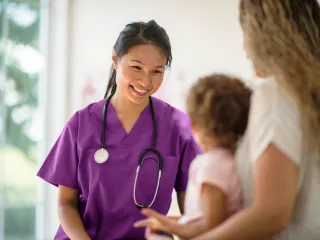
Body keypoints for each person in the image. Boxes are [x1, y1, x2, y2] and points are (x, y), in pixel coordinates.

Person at [36, 20, 201, 240]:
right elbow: (65, 204)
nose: (145, 80)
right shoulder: (81, 124)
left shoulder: (178, 127)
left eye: (156, 71)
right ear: (115, 59)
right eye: (136, 67)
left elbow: (191, 212)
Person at [190, 1, 320, 239]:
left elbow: (271, 213)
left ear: (259, 34)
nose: (245, 50)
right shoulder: (308, 94)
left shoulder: (276, 93)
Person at [134, 74, 252, 239]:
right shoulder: (232, 160)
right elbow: (203, 218)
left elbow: (211, 227)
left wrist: (173, 230)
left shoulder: (211, 167)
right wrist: (169, 223)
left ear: (194, 125)